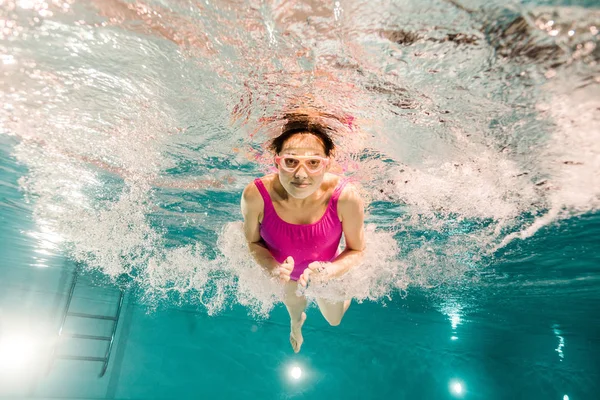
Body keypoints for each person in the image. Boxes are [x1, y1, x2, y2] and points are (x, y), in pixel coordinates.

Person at [241, 115, 365, 353]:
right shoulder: (255, 195)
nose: (301, 174)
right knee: (294, 310)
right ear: (277, 162)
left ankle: (339, 291)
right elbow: (253, 242)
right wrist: (273, 267)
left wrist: (332, 271)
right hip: (286, 273)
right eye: (290, 161)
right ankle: (296, 325)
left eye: (313, 163)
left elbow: (357, 249)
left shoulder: (346, 197)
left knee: (334, 319)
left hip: (326, 270)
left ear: (327, 164)